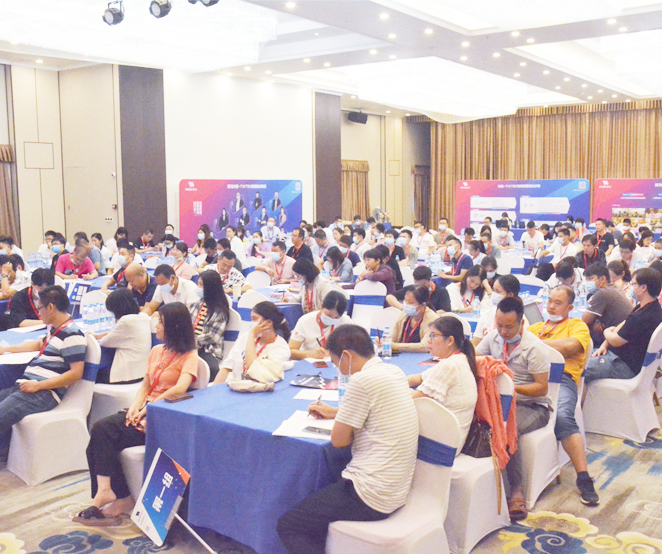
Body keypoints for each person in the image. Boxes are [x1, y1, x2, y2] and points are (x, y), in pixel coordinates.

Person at [278, 324, 418, 554]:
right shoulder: (393, 371)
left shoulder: (361, 381)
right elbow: (374, 411)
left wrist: (341, 418)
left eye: (336, 363)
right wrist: (336, 412)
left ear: (347, 356)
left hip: (371, 495)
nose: (338, 369)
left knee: (288, 526)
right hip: (396, 487)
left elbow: (339, 441)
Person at [78, 302, 198, 523]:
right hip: (144, 409)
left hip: (162, 416)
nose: (156, 326)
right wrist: (135, 406)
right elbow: (145, 385)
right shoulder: (156, 351)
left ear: (174, 327)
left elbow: (180, 388)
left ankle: (112, 494)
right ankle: (116, 495)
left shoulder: (189, 356)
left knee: (103, 431)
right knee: (98, 438)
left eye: (161, 322)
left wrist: (148, 408)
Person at [476, 297, 550, 521]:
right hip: (499, 402)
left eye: (509, 327)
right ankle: (485, 484)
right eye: (499, 325)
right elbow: (475, 356)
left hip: (532, 406)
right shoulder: (494, 337)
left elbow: (542, 388)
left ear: (522, 323)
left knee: (507, 429)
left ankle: (516, 490)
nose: (503, 332)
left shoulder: (534, 348)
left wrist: (510, 388)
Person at [528, 286, 599, 507]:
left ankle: (583, 477)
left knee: (562, 417)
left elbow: (570, 347)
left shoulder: (576, 326)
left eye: (558, 303)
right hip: (531, 379)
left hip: (562, 380)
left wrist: (533, 345)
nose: (551, 306)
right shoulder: (535, 328)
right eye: (549, 301)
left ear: (570, 307)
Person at [0, 286, 86, 455]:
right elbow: (38, 344)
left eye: (40, 308)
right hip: (27, 388)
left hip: (43, 393)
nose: (38, 313)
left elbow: (76, 373)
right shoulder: (56, 330)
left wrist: (38, 386)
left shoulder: (72, 334)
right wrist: (7, 349)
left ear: (51, 308)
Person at [408, 315, 478, 449]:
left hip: (444, 445)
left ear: (450, 340)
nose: (429, 341)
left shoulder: (450, 365)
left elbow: (414, 398)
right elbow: (419, 378)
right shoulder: (457, 359)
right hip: (446, 437)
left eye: (433, 336)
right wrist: (403, 382)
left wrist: (395, 390)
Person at [585, 268, 662, 385]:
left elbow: (616, 340)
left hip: (624, 366)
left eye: (633, 284)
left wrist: (606, 331)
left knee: (578, 368)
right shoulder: (651, 308)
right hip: (628, 362)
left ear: (643, 287)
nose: (631, 287)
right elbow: (622, 326)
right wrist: (604, 345)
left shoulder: (641, 317)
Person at [213, 301, 291, 384]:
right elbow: (226, 367)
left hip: (255, 386)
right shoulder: (246, 337)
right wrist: (215, 387)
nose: (251, 323)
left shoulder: (281, 348)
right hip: (233, 383)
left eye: (254, 319)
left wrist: (252, 334)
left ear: (268, 323)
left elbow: (253, 369)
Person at [94, 288, 151, 384]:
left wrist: (99, 337)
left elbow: (105, 342)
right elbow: (120, 334)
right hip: (141, 372)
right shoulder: (143, 317)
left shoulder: (125, 321)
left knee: (88, 374)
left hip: (126, 374)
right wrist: (99, 335)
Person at [188, 271, 230, 380]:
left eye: (201, 285)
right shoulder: (197, 304)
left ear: (210, 288)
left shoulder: (219, 310)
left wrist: (195, 342)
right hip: (190, 345)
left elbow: (213, 337)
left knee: (209, 369)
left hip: (207, 349)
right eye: (198, 284)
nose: (198, 288)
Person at [289, 291, 351, 360]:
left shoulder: (345, 321)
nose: (332, 319)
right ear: (321, 306)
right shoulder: (305, 321)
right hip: (311, 362)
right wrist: (309, 354)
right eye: (329, 315)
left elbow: (355, 348)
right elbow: (290, 351)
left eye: (336, 318)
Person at [582, 265, 633, 346]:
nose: (588, 283)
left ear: (603, 279)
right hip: (624, 335)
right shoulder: (614, 288)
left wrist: (593, 321)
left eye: (590, 279)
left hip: (616, 338)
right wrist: (596, 321)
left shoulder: (602, 293)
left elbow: (585, 321)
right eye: (586, 280)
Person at [473, 274, 523, 343]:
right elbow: (475, 343)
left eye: (498, 291)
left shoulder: (519, 319)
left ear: (510, 295)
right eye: (493, 290)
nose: (493, 294)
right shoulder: (487, 315)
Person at [388, 285, 438, 353]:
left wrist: (396, 346)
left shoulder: (433, 319)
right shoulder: (404, 314)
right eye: (405, 301)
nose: (406, 305)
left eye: (410, 302)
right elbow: (393, 338)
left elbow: (425, 346)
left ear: (423, 305)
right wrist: (384, 342)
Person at [387, 266, 451, 313]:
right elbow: (389, 297)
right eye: (418, 284)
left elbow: (445, 310)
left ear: (431, 280)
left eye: (424, 284)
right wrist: (401, 307)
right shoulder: (412, 289)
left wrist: (428, 314)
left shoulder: (441, 291)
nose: (421, 287)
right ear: (415, 281)